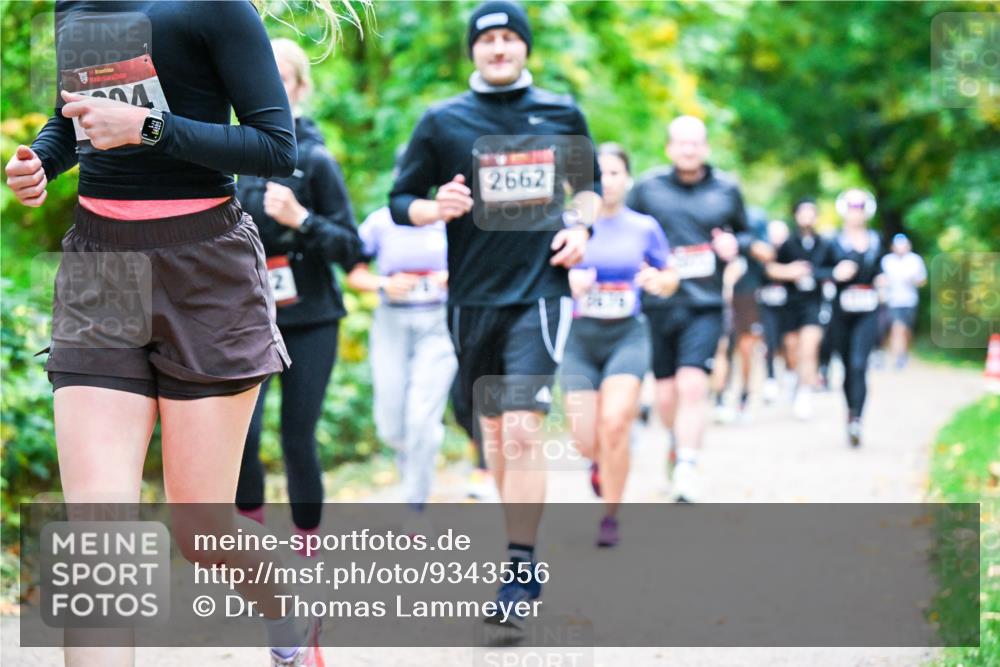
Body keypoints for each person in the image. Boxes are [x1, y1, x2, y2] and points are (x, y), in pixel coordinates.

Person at [3, 2, 360, 665]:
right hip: (101, 266)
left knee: (201, 528)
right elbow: (72, 115)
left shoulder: (214, 6)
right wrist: (43, 162)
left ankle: (287, 606)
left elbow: (275, 147)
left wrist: (149, 128)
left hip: (204, 267)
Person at [389, 0, 600, 627]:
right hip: (472, 299)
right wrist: (436, 208)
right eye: (489, 39)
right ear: (473, 51)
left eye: (511, 37)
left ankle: (520, 567)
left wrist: (582, 226)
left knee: (521, 430)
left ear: (526, 46)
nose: (500, 48)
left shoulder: (562, 112)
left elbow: (587, 189)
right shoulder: (442, 121)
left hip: (540, 293)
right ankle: (517, 539)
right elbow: (402, 199)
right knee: (492, 436)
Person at [235, 38, 361, 552]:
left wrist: (302, 220)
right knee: (241, 435)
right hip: (245, 320)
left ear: (299, 87)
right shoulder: (229, 157)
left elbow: (353, 248)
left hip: (311, 319)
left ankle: (307, 544)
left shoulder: (315, 160)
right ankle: (252, 544)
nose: (270, 85)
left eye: (281, 76)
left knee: (296, 435)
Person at [628, 115, 772, 503]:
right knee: (665, 396)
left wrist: (734, 245)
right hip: (658, 305)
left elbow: (746, 234)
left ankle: (688, 465)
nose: (689, 149)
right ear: (669, 148)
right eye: (681, 143)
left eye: (696, 143)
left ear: (706, 148)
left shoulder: (727, 188)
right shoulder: (647, 189)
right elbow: (624, 228)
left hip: (705, 304)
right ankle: (677, 445)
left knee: (693, 386)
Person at [560, 144, 676, 547]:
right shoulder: (566, 225)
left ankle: (611, 514)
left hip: (627, 334)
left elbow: (669, 274)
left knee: (616, 424)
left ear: (627, 178)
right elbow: (541, 276)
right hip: (578, 338)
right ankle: (596, 465)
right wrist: (567, 281)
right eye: (599, 174)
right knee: (584, 436)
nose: (606, 182)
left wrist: (659, 283)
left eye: (614, 173)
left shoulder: (644, 227)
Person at [346, 148, 457, 531]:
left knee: (422, 419)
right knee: (391, 423)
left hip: (438, 324)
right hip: (391, 321)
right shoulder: (380, 223)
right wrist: (384, 283)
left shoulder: (449, 221)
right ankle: (413, 448)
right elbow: (354, 272)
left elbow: (475, 268)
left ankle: (415, 504)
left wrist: (450, 279)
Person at [765, 198, 836, 419]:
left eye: (810, 212)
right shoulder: (787, 244)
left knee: (809, 347)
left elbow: (835, 270)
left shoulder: (826, 244)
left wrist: (813, 274)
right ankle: (794, 380)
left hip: (813, 304)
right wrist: (791, 271)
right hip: (790, 304)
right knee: (792, 349)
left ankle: (805, 392)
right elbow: (772, 269)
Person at [829, 188, 886, 447]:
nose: (856, 214)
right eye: (852, 208)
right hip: (840, 312)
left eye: (860, 208)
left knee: (859, 364)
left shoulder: (876, 240)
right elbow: (815, 269)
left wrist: (881, 281)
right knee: (846, 368)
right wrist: (834, 273)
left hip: (868, 310)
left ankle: (857, 420)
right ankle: (850, 410)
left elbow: (881, 269)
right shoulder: (832, 241)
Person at [757, 219, 792, 404]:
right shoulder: (762, 254)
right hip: (767, 305)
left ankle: (790, 375)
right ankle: (770, 379)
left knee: (788, 342)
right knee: (769, 342)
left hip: (788, 306)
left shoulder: (791, 251)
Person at [880, 233, 927, 369]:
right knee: (897, 328)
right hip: (892, 301)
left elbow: (922, 280)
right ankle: (898, 357)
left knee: (906, 330)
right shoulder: (887, 261)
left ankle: (904, 353)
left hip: (910, 300)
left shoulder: (915, 260)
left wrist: (913, 280)